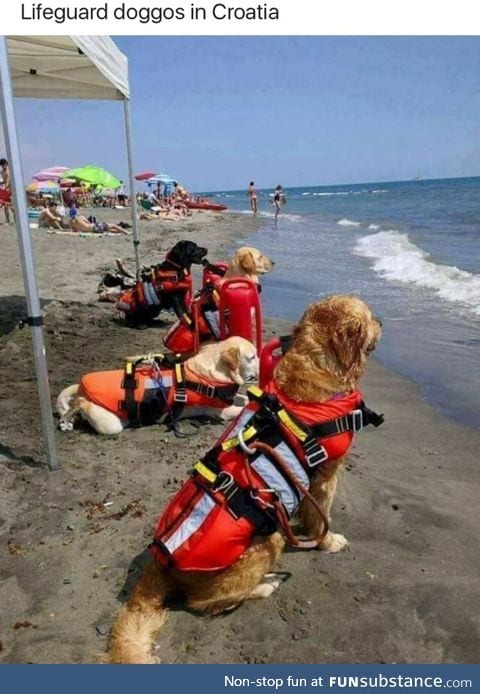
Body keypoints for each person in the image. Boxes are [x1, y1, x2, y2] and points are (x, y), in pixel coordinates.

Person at [0, 158, 13, 224]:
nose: (3, 166)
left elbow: (8, 182)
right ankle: (8, 221)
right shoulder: (1, 172)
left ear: (6, 164)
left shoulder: (8, 171)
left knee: (10, 206)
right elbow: (2, 181)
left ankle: (16, 219)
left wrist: (4, 189)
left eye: (4, 165)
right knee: (6, 206)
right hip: (5, 189)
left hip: (10, 190)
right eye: (2, 165)